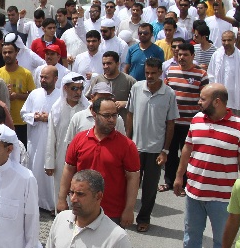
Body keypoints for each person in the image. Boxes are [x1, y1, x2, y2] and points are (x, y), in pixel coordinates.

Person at [169, 84, 240, 248]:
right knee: (191, 233)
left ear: (217, 101)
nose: (198, 102)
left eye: (202, 99)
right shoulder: (196, 120)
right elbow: (187, 149)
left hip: (224, 197)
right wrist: (179, 176)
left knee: (223, 240)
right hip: (194, 192)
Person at [57, 98, 140, 229]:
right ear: (94, 114)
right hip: (81, 209)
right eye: (107, 115)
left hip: (112, 213)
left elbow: (133, 178)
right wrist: (62, 199)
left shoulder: (127, 145)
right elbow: (69, 169)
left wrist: (129, 210)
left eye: (114, 115)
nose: (112, 120)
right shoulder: (79, 139)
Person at [125, 57, 178, 232]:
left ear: (160, 73)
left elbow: (171, 124)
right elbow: (130, 114)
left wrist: (165, 150)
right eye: (147, 72)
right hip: (135, 147)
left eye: (153, 73)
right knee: (129, 184)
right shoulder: (136, 88)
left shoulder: (169, 93)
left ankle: (144, 218)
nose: (149, 76)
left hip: (156, 150)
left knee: (149, 188)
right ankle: (125, 214)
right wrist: (127, 140)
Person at [163, 43, 209, 191]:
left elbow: (204, 98)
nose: (181, 57)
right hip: (172, 122)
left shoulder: (201, 74)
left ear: (192, 56)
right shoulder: (171, 71)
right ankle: (170, 182)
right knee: (169, 154)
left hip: (190, 123)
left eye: (185, 55)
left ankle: (187, 183)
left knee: (188, 155)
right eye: (179, 54)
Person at [45, 73, 90, 206]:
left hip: (82, 159)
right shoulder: (57, 109)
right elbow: (51, 137)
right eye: (74, 88)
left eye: (81, 88)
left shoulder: (87, 109)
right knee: (61, 191)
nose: (78, 92)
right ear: (65, 88)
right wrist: (49, 163)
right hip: (61, 158)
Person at [21, 65, 61, 213]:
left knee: (51, 172)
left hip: (53, 142)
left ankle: (52, 205)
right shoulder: (34, 94)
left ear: (55, 79)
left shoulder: (61, 96)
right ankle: (34, 202)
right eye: (41, 77)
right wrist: (35, 117)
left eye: (46, 77)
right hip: (36, 141)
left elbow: (64, 118)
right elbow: (23, 113)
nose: (43, 80)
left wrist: (49, 118)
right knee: (35, 169)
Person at [0, 40, 36, 146]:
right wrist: (4, 95)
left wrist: (17, 96)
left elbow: (33, 96)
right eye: (5, 52)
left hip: (21, 121)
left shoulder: (26, 74)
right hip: (3, 120)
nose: (7, 55)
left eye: (10, 52)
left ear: (16, 53)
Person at [88, 51, 136, 124]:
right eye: (104, 64)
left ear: (117, 64)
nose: (105, 66)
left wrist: (126, 103)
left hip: (123, 124)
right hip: (102, 125)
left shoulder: (129, 81)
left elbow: (139, 101)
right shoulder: (97, 80)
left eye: (109, 63)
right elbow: (88, 99)